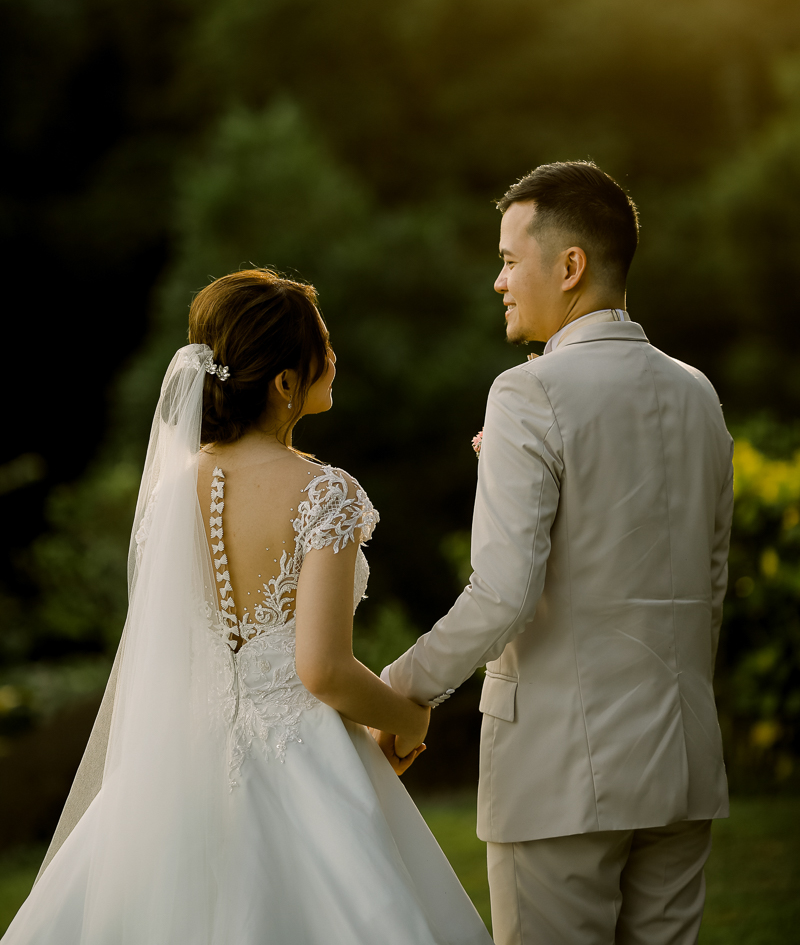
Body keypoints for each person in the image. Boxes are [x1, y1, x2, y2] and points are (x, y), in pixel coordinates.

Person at [3, 269, 491, 945]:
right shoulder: (324, 493)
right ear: (285, 382)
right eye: (323, 347)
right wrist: (409, 717)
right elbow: (321, 668)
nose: (334, 358)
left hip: (178, 764)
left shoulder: (172, 491)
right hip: (306, 762)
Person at [379, 162, 733, 945]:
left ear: (569, 266)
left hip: (558, 768)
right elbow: (710, 585)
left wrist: (398, 693)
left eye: (510, 260)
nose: (499, 281)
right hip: (683, 764)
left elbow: (503, 592)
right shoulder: (698, 393)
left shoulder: (526, 393)